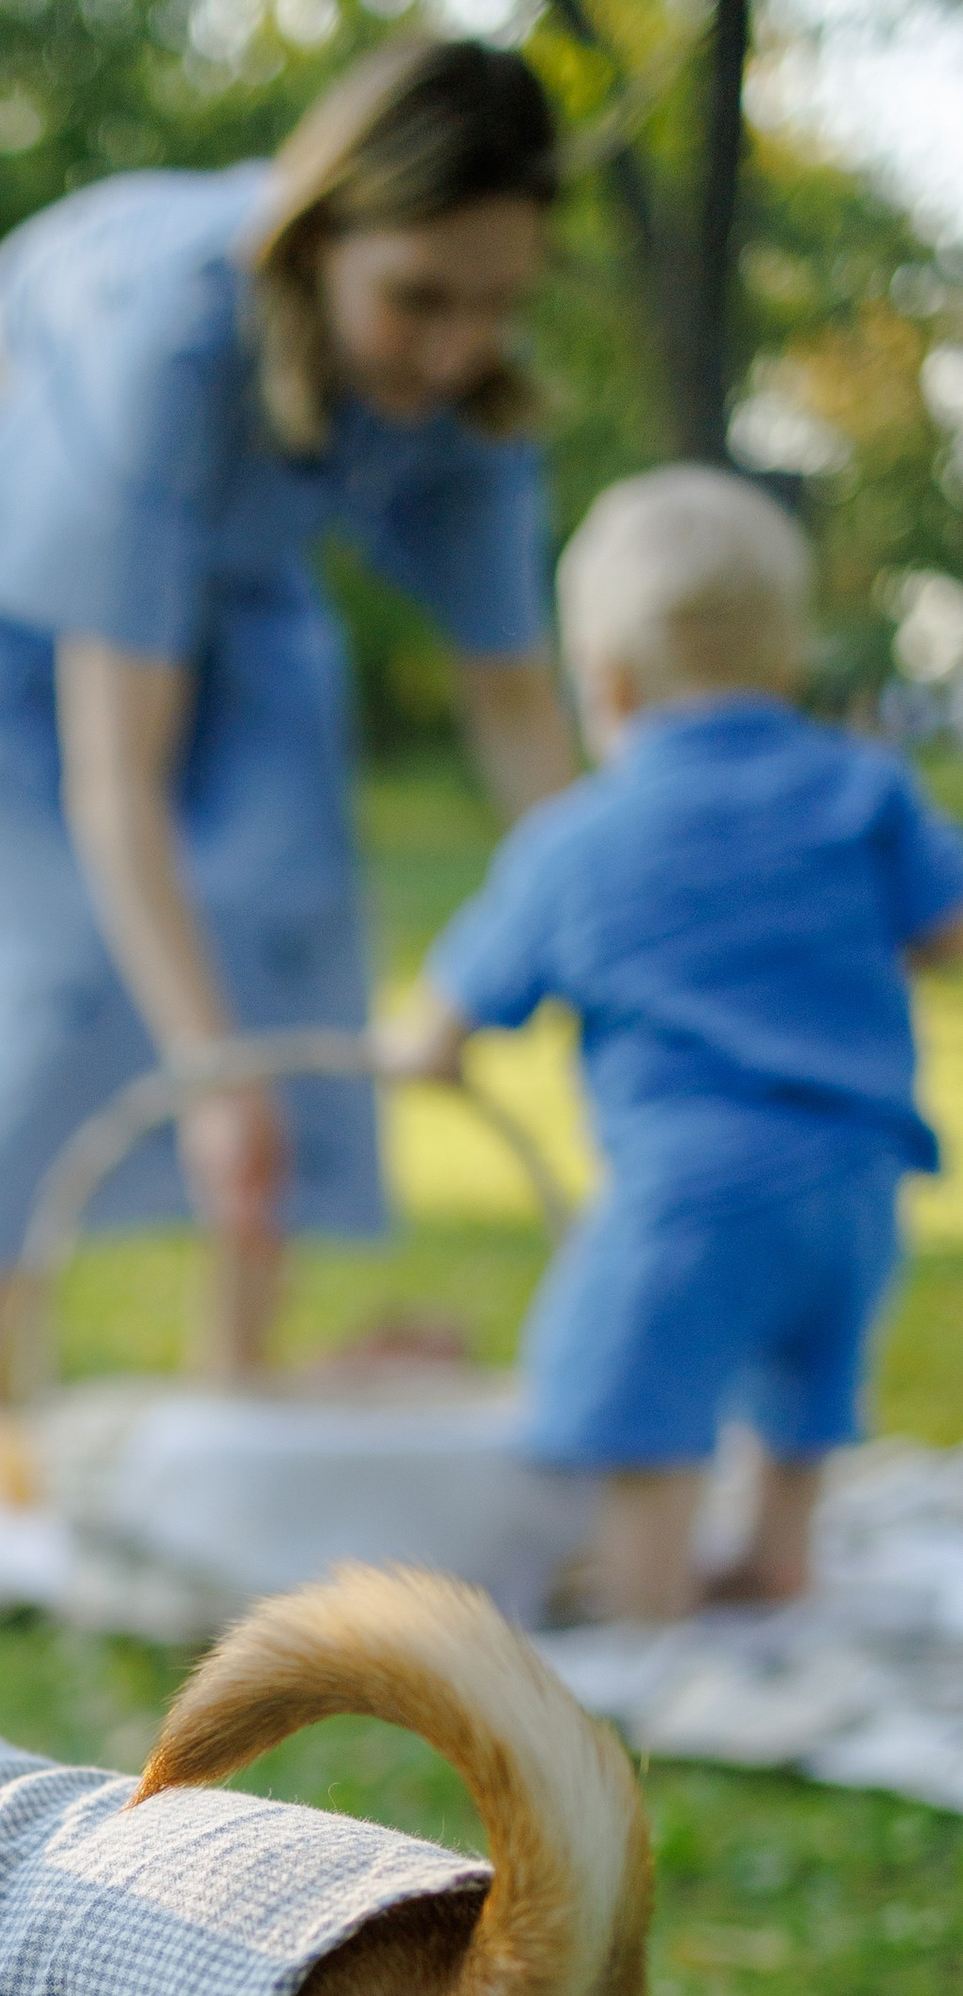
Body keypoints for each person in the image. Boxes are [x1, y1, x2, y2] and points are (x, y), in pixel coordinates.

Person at [0, 32, 578, 1489]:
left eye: (496, 306)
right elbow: (115, 783)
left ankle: (237, 1382)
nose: (459, 346)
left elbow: (520, 709)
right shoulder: (173, 339)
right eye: (417, 299)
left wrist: (629, 941)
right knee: (40, 965)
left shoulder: (463, 386)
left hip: (223, 579)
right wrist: (212, 1075)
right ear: (318, 237)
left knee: (281, 897)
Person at [384, 466, 963, 1621]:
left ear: (602, 680)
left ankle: (647, 1606)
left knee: (634, 1389)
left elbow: (442, 1021)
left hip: (692, 1192)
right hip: (857, 1182)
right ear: (785, 661)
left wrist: (422, 1050)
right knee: (804, 1385)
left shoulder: (575, 841)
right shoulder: (863, 791)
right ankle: (776, 1557)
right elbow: (945, 933)